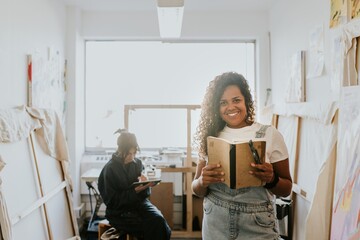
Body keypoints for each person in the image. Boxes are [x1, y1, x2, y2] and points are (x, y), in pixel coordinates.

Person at [191, 72, 292, 240]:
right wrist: (202, 181)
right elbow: (196, 189)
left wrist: (271, 179)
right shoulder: (211, 137)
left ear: (246, 101)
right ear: (216, 107)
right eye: (223, 103)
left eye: (236, 100)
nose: (231, 107)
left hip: (257, 225)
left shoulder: (270, 134)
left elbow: (286, 189)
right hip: (216, 222)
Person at [98, 129, 171, 240]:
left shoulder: (137, 163)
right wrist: (135, 191)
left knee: (159, 220)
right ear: (120, 150)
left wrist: (147, 186)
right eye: (128, 154)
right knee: (150, 226)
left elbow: (145, 195)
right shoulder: (110, 169)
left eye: (134, 153)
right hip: (118, 211)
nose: (132, 157)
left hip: (140, 205)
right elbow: (112, 202)